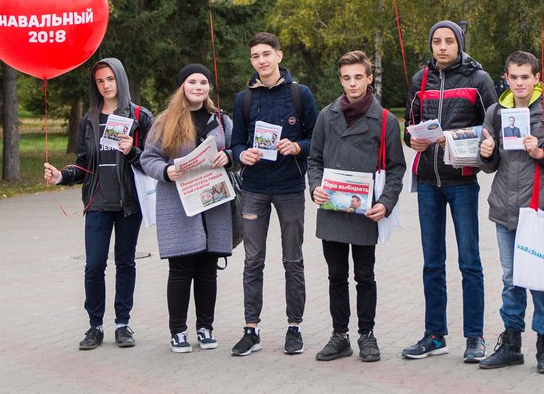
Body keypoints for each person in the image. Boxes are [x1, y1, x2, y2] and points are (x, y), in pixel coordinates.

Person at [476, 51, 544, 375]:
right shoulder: (496, 111)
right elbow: (489, 165)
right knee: (511, 279)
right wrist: (486, 153)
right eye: (514, 77)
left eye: (526, 76)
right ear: (505, 78)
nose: (520, 82)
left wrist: (543, 151)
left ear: (536, 78)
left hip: (540, 208)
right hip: (505, 210)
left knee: (540, 280)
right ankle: (511, 343)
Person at [403, 20, 497, 363]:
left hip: (462, 181)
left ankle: (475, 337)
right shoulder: (420, 80)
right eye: (436, 41)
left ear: (459, 44)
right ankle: (434, 335)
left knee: (470, 262)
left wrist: (455, 138)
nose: (442, 47)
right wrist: (410, 139)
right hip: (428, 182)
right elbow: (408, 125)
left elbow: (492, 127)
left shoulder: (478, 79)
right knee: (432, 263)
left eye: (448, 41)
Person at [44, 58, 153, 351]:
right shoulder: (89, 121)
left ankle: (122, 323)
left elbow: (153, 161)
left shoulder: (140, 116)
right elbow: (83, 165)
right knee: (93, 265)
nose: (106, 86)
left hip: (129, 202)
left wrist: (132, 151)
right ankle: (95, 326)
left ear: (121, 79)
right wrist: (61, 176)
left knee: (125, 262)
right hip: (97, 202)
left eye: (110, 79)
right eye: (100, 81)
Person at [308, 50, 405, 363]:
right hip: (332, 210)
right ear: (340, 80)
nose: (352, 83)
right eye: (347, 78)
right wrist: (315, 188)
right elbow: (315, 160)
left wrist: (386, 203)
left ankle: (367, 334)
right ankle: (340, 335)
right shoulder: (326, 115)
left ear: (369, 77)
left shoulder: (386, 120)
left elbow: (396, 168)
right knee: (336, 275)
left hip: (366, 211)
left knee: (365, 275)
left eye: (358, 77)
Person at [228, 33, 319, 358]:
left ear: (279, 56)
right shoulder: (244, 99)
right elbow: (236, 142)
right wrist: (243, 154)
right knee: (253, 261)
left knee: (292, 260)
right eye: (255, 56)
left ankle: (294, 327)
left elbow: (316, 140)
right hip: (253, 190)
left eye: (267, 54)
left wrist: (297, 147)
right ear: (251, 61)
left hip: (290, 189)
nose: (261, 60)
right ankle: (251, 329)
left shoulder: (300, 94)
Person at [139, 63, 235, 353]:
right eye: (192, 81)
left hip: (213, 205)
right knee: (180, 270)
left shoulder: (221, 120)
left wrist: (228, 157)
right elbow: (148, 158)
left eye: (203, 82)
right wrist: (166, 171)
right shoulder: (165, 120)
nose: (198, 87)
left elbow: (237, 152)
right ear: (182, 86)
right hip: (179, 204)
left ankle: (205, 327)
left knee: (208, 270)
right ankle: (178, 331)